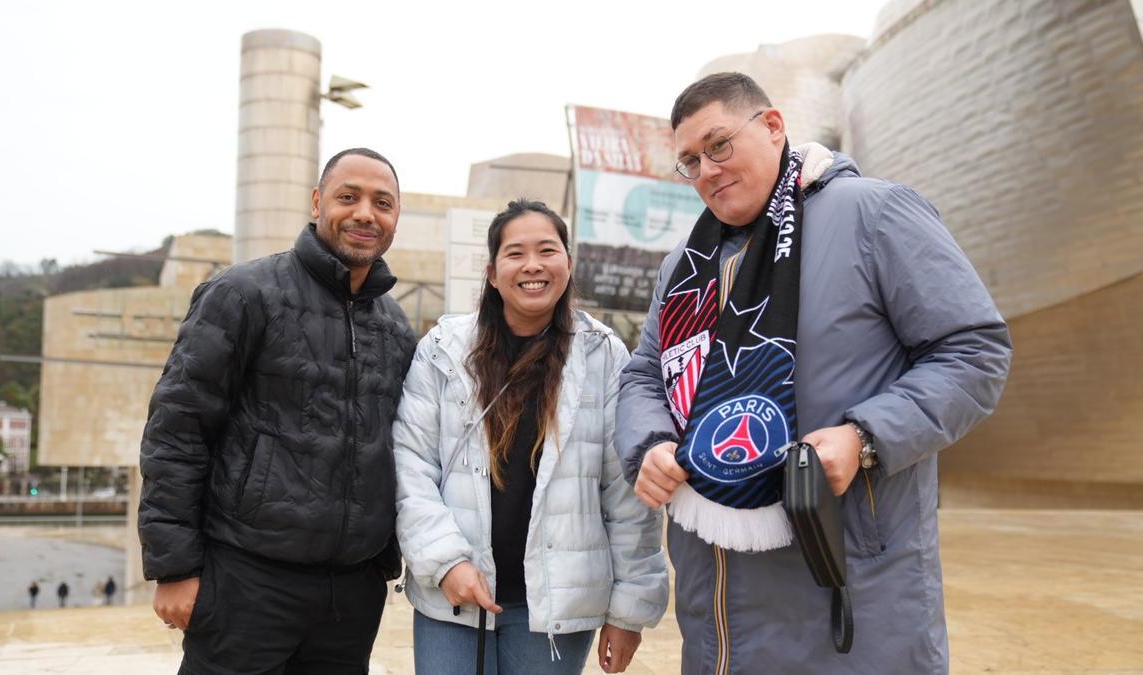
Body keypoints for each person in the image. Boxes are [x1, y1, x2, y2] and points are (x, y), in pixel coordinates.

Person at [616, 72, 1012, 673]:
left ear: (773, 126)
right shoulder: (685, 262)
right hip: (716, 606)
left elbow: (974, 350)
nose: (707, 171)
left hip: (846, 590)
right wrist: (648, 443)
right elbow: (646, 372)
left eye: (719, 145)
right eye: (690, 161)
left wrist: (866, 437)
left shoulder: (874, 213)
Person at [138, 147, 417, 675]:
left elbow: (398, 448)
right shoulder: (242, 294)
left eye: (383, 202)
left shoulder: (396, 327)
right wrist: (173, 566)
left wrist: (383, 560)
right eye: (348, 196)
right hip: (247, 581)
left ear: (395, 218)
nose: (365, 213)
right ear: (317, 202)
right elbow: (177, 429)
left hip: (350, 597)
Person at [394, 199, 669, 675]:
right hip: (453, 597)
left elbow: (625, 494)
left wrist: (629, 612)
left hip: (556, 608)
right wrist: (446, 562)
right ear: (493, 273)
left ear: (567, 262)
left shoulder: (604, 355)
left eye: (547, 250)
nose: (533, 265)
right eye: (515, 253)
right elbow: (411, 465)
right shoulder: (442, 350)